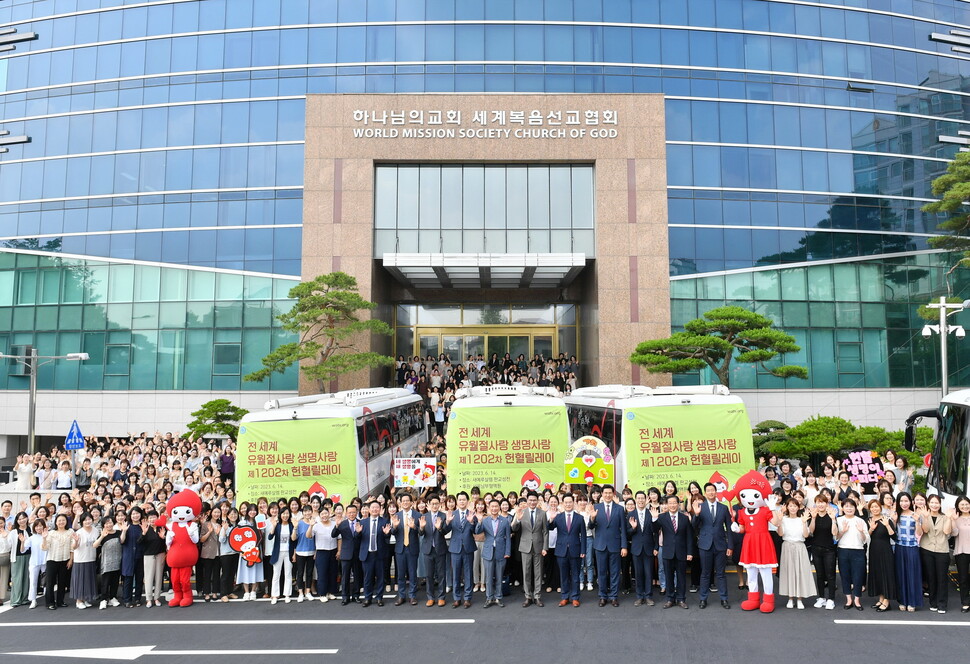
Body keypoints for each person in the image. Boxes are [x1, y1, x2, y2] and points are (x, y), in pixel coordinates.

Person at [692, 482, 732, 609]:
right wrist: (696, 514)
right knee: (705, 573)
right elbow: (693, 526)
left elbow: (729, 528)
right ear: (705, 493)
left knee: (721, 574)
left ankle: (724, 599)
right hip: (705, 545)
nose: (711, 492)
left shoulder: (723, 508)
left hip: (720, 545)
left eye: (712, 490)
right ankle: (703, 598)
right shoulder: (700, 507)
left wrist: (730, 546)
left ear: (716, 492)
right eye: (708, 490)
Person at [589, 484, 628, 607]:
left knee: (615, 572)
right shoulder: (596, 507)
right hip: (600, 545)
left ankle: (614, 596)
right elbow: (590, 527)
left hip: (615, 545)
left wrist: (624, 546)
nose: (607, 495)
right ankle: (602, 596)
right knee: (601, 572)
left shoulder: (620, 509)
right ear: (602, 494)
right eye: (605, 493)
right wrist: (592, 518)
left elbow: (623, 529)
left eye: (610, 493)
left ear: (613, 494)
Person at [510, 491, 549, 607]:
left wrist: (545, 547)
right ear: (526, 501)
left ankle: (537, 596)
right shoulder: (521, 512)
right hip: (525, 546)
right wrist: (517, 519)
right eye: (530, 500)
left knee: (538, 573)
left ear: (537, 501)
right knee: (526, 572)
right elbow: (514, 529)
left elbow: (545, 532)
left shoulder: (542, 513)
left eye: (534, 500)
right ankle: (528, 596)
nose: (532, 502)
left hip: (538, 546)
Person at [654, 495, 693, 609]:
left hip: (681, 552)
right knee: (669, 577)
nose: (672, 505)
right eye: (669, 503)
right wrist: (654, 519)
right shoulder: (662, 517)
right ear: (667, 504)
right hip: (668, 552)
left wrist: (689, 552)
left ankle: (681, 599)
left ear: (678, 504)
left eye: (674, 503)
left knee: (681, 577)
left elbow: (689, 537)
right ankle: (670, 599)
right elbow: (654, 530)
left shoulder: (684, 518)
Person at [549, 493, 586, 607]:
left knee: (575, 575)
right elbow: (549, 528)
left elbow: (583, 536)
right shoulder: (558, 517)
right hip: (561, 550)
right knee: (563, 575)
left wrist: (583, 551)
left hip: (575, 550)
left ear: (573, 503)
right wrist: (550, 519)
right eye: (566, 502)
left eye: (570, 502)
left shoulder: (579, 518)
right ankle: (565, 597)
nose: (568, 504)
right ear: (563, 504)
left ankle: (575, 597)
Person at [777, 497, 814, 610]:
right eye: (790, 505)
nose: (792, 508)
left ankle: (799, 599)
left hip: (800, 547)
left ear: (798, 507)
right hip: (787, 546)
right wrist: (779, 521)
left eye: (795, 506)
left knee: (800, 572)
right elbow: (780, 534)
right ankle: (790, 598)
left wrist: (803, 523)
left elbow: (806, 535)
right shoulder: (783, 519)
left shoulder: (801, 519)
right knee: (788, 572)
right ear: (787, 507)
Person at [918, 493, 952, 614]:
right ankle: (933, 602)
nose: (934, 505)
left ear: (940, 504)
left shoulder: (945, 517)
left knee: (942, 578)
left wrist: (949, 518)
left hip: (942, 550)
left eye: (936, 503)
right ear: (928, 503)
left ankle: (942, 604)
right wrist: (926, 518)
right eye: (932, 502)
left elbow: (947, 531)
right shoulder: (923, 515)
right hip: (927, 549)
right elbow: (925, 530)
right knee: (931, 577)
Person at [476, 499, 511, 607]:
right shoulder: (485, 520)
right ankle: (489, 597)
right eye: (492, 506)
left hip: (501, 551)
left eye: (496, 506)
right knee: (489, 576)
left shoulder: (505, 521)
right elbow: (477, 531)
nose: (494, 508)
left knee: (499, 576)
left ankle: (498, 597)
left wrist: (507, 552)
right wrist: (479, 521)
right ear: (489, 508)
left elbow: (508, 539)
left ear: (499, 507)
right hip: (488, 551)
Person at [445, 491, 477, 608]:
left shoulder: (471, 513)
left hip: (468, 548)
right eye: (460, 500)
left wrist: (472, 522)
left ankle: (467, 598)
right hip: (455, 548)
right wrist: (447, 522)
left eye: (464, 499)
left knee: (468, 574)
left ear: (467, 501)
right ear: (457, 502)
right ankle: (457, 598)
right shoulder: (452, 514)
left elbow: (476, 531)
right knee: (456, 574)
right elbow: (444, 530)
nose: (462, 501)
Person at [836, 499, 869, 611]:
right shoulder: (838, 520)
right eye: (846, 506)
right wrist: (843, 531)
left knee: (858, 576)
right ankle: (848, 599)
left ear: (855, 508)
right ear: (842, 508)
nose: (849, 508)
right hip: (843, 550)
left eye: (851, 506)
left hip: (858, 550)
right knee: (845, 575)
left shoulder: (860, 521)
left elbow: (865, 540)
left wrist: (860, 531)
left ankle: (857, 600)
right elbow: (835, 537)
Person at [807, 494, 839, 610]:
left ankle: (831, 599)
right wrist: (814, 518)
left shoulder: (831, 515)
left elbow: (834, 533)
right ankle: (821, 597)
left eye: (823, 502)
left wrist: (833, 519)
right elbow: (811, 532)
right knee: (819, 575)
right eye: (818, 502)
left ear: (826, 504)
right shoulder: (813, 515)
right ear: (815, 503)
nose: (820, 504)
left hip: (829, 549)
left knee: (830, 575)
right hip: (816, 549)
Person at [627, 490, 657, 607]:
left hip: (649, 548)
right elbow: (627, 533)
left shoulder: (651, 513)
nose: (640, 500)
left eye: (642, 498)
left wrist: (656, 547)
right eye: (638, 498)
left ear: (646, 500)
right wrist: (633, 528)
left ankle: (648, 596)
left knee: (648, 573)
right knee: (638, 574)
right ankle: (639, 596)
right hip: (636, 548)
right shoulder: (631, 515)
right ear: (635, 500)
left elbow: (656, 532)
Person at [359, 500, 391, 607]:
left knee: (380, 577)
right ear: (368, 509)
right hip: (367, 554)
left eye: (377, 507)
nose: (374, 509)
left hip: (380, 554)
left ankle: (379, 598)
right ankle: (367, 598)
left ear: (380, 509)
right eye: (372, 507)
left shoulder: (385, 521)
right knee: (367, 578)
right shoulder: (363, 522)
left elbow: (387, 538)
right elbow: (357, 538)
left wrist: (387, 534)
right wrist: (357, 532)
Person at [866, 500, 897, 612]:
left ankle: (887, 601)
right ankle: (881, 598)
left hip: (885, 550)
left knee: (886, 574)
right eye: (872, 507)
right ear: (870, 509)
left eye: (877, 506)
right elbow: (866, 537)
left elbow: (894, 537)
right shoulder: (869, 520)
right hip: (874, 550)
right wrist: (871, 529)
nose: (875, 509)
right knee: (877, 574)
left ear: (880, 508)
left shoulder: (886, 519)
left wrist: (888, 525)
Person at [894, 492, 922, 612]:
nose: (904, 504)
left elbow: (920, 533)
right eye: (901, 501)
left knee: (912, 574)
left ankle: (912, 601)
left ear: (911, 502)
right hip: (899, 547)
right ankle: (902, 600)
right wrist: (894, 521)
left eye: (906, 501)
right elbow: (893, 532)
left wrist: (917, 522)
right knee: (901, 574)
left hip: (912, 547)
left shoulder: (915, 515)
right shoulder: (896, 515)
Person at [392, 492, 421, 606]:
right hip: (400, 548)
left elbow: (421, 532)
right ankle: (401, 596)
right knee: (400, 574)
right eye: (403, 501)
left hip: (412, 547)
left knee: (413, 573)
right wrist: (394, 526)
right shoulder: (396, 515)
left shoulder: (417, 515)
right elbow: (393, 533)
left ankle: (412, 596)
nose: (405, 503)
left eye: (407, 501)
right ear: (400, 502)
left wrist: (414, 527)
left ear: (411, 502)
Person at [420, 495, 448, 607]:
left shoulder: (444, 516)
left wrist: (439, 528)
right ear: (428, 505)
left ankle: (441, 597)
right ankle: (430, 597)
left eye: (437, 503)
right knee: (429, 575)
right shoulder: (424, 517)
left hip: (440, 549)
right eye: (432, 504)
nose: (435, 505)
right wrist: (421, 528)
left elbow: (446, 531)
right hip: (428, 549)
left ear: (439, 505)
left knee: (441, 574)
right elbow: (421, 533)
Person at [332, 504, 362, 605]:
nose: (352, 514)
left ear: (357, 512)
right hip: (345, 553)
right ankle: (345, 596)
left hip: (357, 554)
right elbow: (333, 535)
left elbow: (362, 537)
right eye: (350, 512)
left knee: (357, 575)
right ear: (346, 513)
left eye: (354, 512)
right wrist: (336, 526)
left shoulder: (360, 523)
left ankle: (356, 595)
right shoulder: (342, 523)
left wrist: (359, 532)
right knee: (345, 576)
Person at [42, 513, 73, 610]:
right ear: (56, 522)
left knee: (62, 582)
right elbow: (45, 547)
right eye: (59, 520)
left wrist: (71, 560)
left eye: (63, 520)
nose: (61, 522)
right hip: (52, 560)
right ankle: (50, 602)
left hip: (65, 560)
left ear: (66, 522)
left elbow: (72, 548)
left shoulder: (70, 532)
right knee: (50, 582)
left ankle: (60, 601)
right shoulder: (51, 533)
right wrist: (44, 538)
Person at [139, 511, 166, 609]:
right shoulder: (145, 528)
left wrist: (163, 538)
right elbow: (139, 542)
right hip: (148, 555)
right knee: (148, 578)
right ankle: (149, 599)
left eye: (154, 517)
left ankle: (157, 598)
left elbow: (166, 542)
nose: (152, 520)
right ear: (147, 519)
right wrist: (143, 534)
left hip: (160, 554)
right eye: (150, 518)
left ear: (157, 518)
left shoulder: (161, 528)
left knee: (159, 577)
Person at [267, 506, 294, 604]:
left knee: (288, 574)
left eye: (287, 513)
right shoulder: (277, 525)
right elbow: (270, 537)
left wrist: (294, 554)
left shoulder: (291, 525)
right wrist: (273, 526)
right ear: (280, 515)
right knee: (276, 574)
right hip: (278, 553)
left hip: (288, 552)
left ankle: (287, 594)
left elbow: (294, 540)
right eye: (283, 514)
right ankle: (274, 595)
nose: (285, 515)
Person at [94, 516, 122, 610]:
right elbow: (95, 545)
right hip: (106, 562)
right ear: (103, 525)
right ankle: (103, 599)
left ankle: (112, 598)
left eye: (110, 522)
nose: (109, 524)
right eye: (106, 523)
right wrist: (102, 536)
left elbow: (123, 541)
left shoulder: (118, 532)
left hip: (117, 560)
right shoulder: (103, 535)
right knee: (105, 582)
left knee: (115, 581)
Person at [950, 495, 970, 613]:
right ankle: (965, 603)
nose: (965, 506)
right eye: (962, 504)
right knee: (963, 578)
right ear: (958, 506)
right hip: (961, 551)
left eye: (967, 504)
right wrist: (953, 520)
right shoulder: (956, 518)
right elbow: (954, 533)